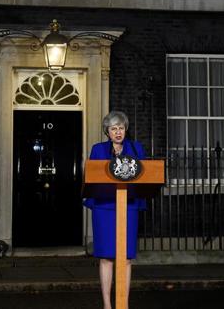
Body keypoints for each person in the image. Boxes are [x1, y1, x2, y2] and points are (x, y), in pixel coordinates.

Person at [84, 110, 146, 309]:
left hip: (128, 207)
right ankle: (107, 305)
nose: (118, 132)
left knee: (126, 258)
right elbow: (92, 177)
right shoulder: (98, 150)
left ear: (125, 129)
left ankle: (123, 304)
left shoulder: (136, 149)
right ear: (107, 132)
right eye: (113, 129)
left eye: (121, 128)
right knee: (106, 257)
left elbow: (145, 176)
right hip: (104, 207)